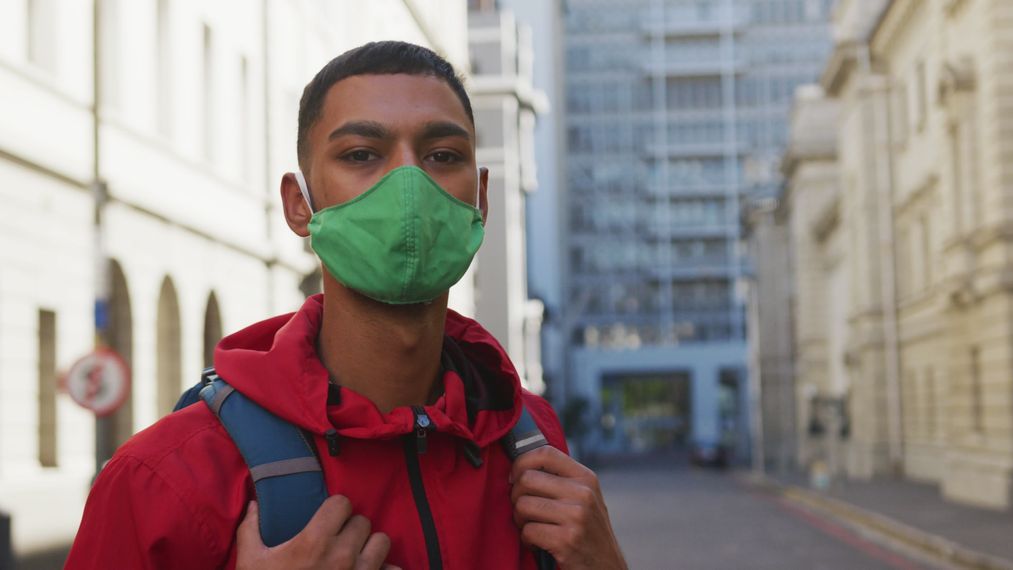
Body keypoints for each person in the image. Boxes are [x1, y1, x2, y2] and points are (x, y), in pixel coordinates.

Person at [65, 41, 626, 570]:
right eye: (361, 154)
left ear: (479, 199)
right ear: (299, 206)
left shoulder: (531, 440)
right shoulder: (166, 477)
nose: (408, 184)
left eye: (441, 154)